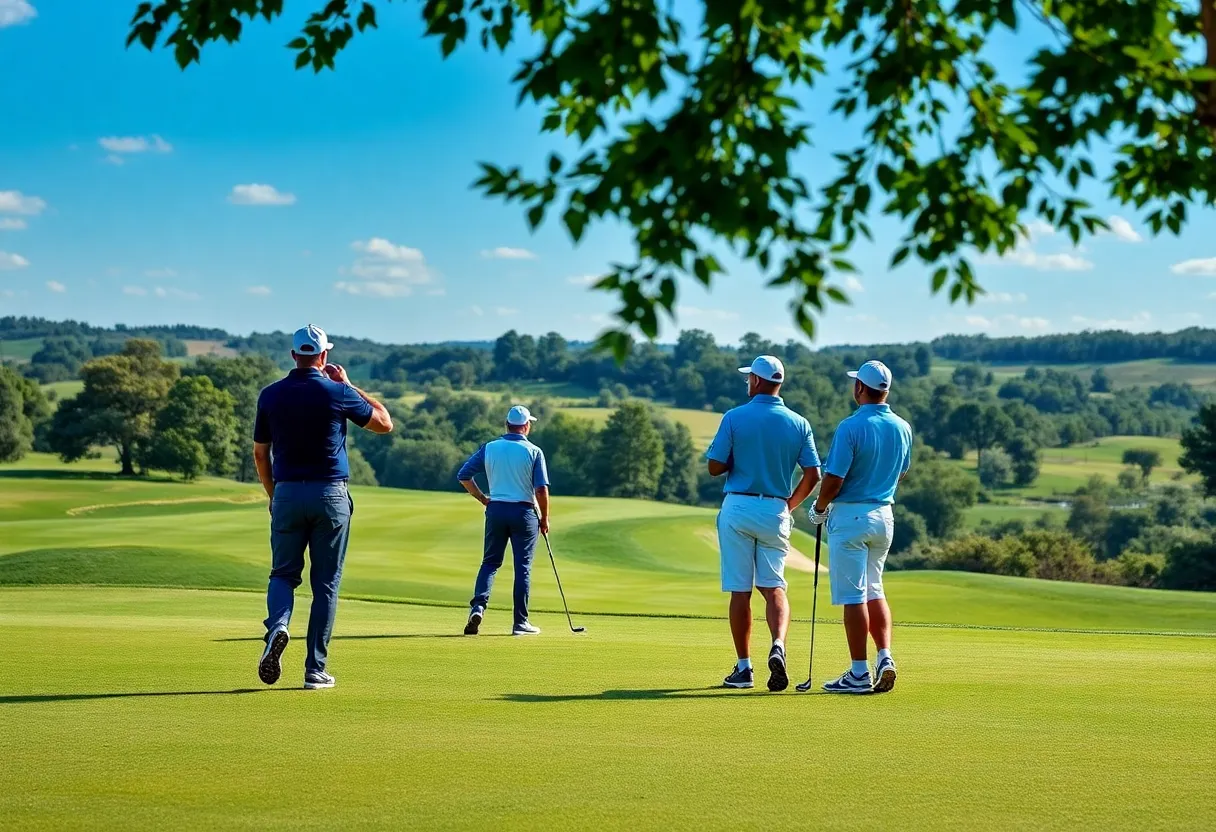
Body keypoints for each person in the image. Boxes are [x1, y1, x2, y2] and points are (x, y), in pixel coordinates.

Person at [253, 324, 394, 690]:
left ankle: (279, 626)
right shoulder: (337, 393)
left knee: (282, 574)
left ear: (293, 355)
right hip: (330, 495)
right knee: (326, 584)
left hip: (285, 493)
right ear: (324, 355)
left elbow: (260, 453)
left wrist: (272, 494)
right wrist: (349, 384)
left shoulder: (270, 395)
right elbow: (384, 423)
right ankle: (315, 670)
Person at [706, 355, 821, 692]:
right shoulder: (799, 422)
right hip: (775, 510)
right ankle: (778, 646)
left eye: (748, 379)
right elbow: (813, 474)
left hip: (739, 506)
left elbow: (714, 467)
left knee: (740, 590)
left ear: (755, 381)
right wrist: (789, 505)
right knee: (774, 587)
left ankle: (744, 669)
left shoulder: (734, 417)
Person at [808, 360, 912, 695]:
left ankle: (858, 673)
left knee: (853, 596)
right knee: (875, 589)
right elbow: (902, 472)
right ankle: (884, 657)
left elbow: (834, 478)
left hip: (851, 517)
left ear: (860, 388)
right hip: (885, 516)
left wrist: (820, 508)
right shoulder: (903, 426)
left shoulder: (850, 427)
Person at [457, 405, 551, 636]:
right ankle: (520, 623)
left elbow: (464, 476)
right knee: (523, 568)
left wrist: (482, 498)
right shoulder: (534, 451)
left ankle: (478, 607)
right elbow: (541, 490)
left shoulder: (490, 448)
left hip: (496, 510)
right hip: (524, 513)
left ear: (507, 425)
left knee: (489, 563)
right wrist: (545, 518)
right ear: (526, 426)